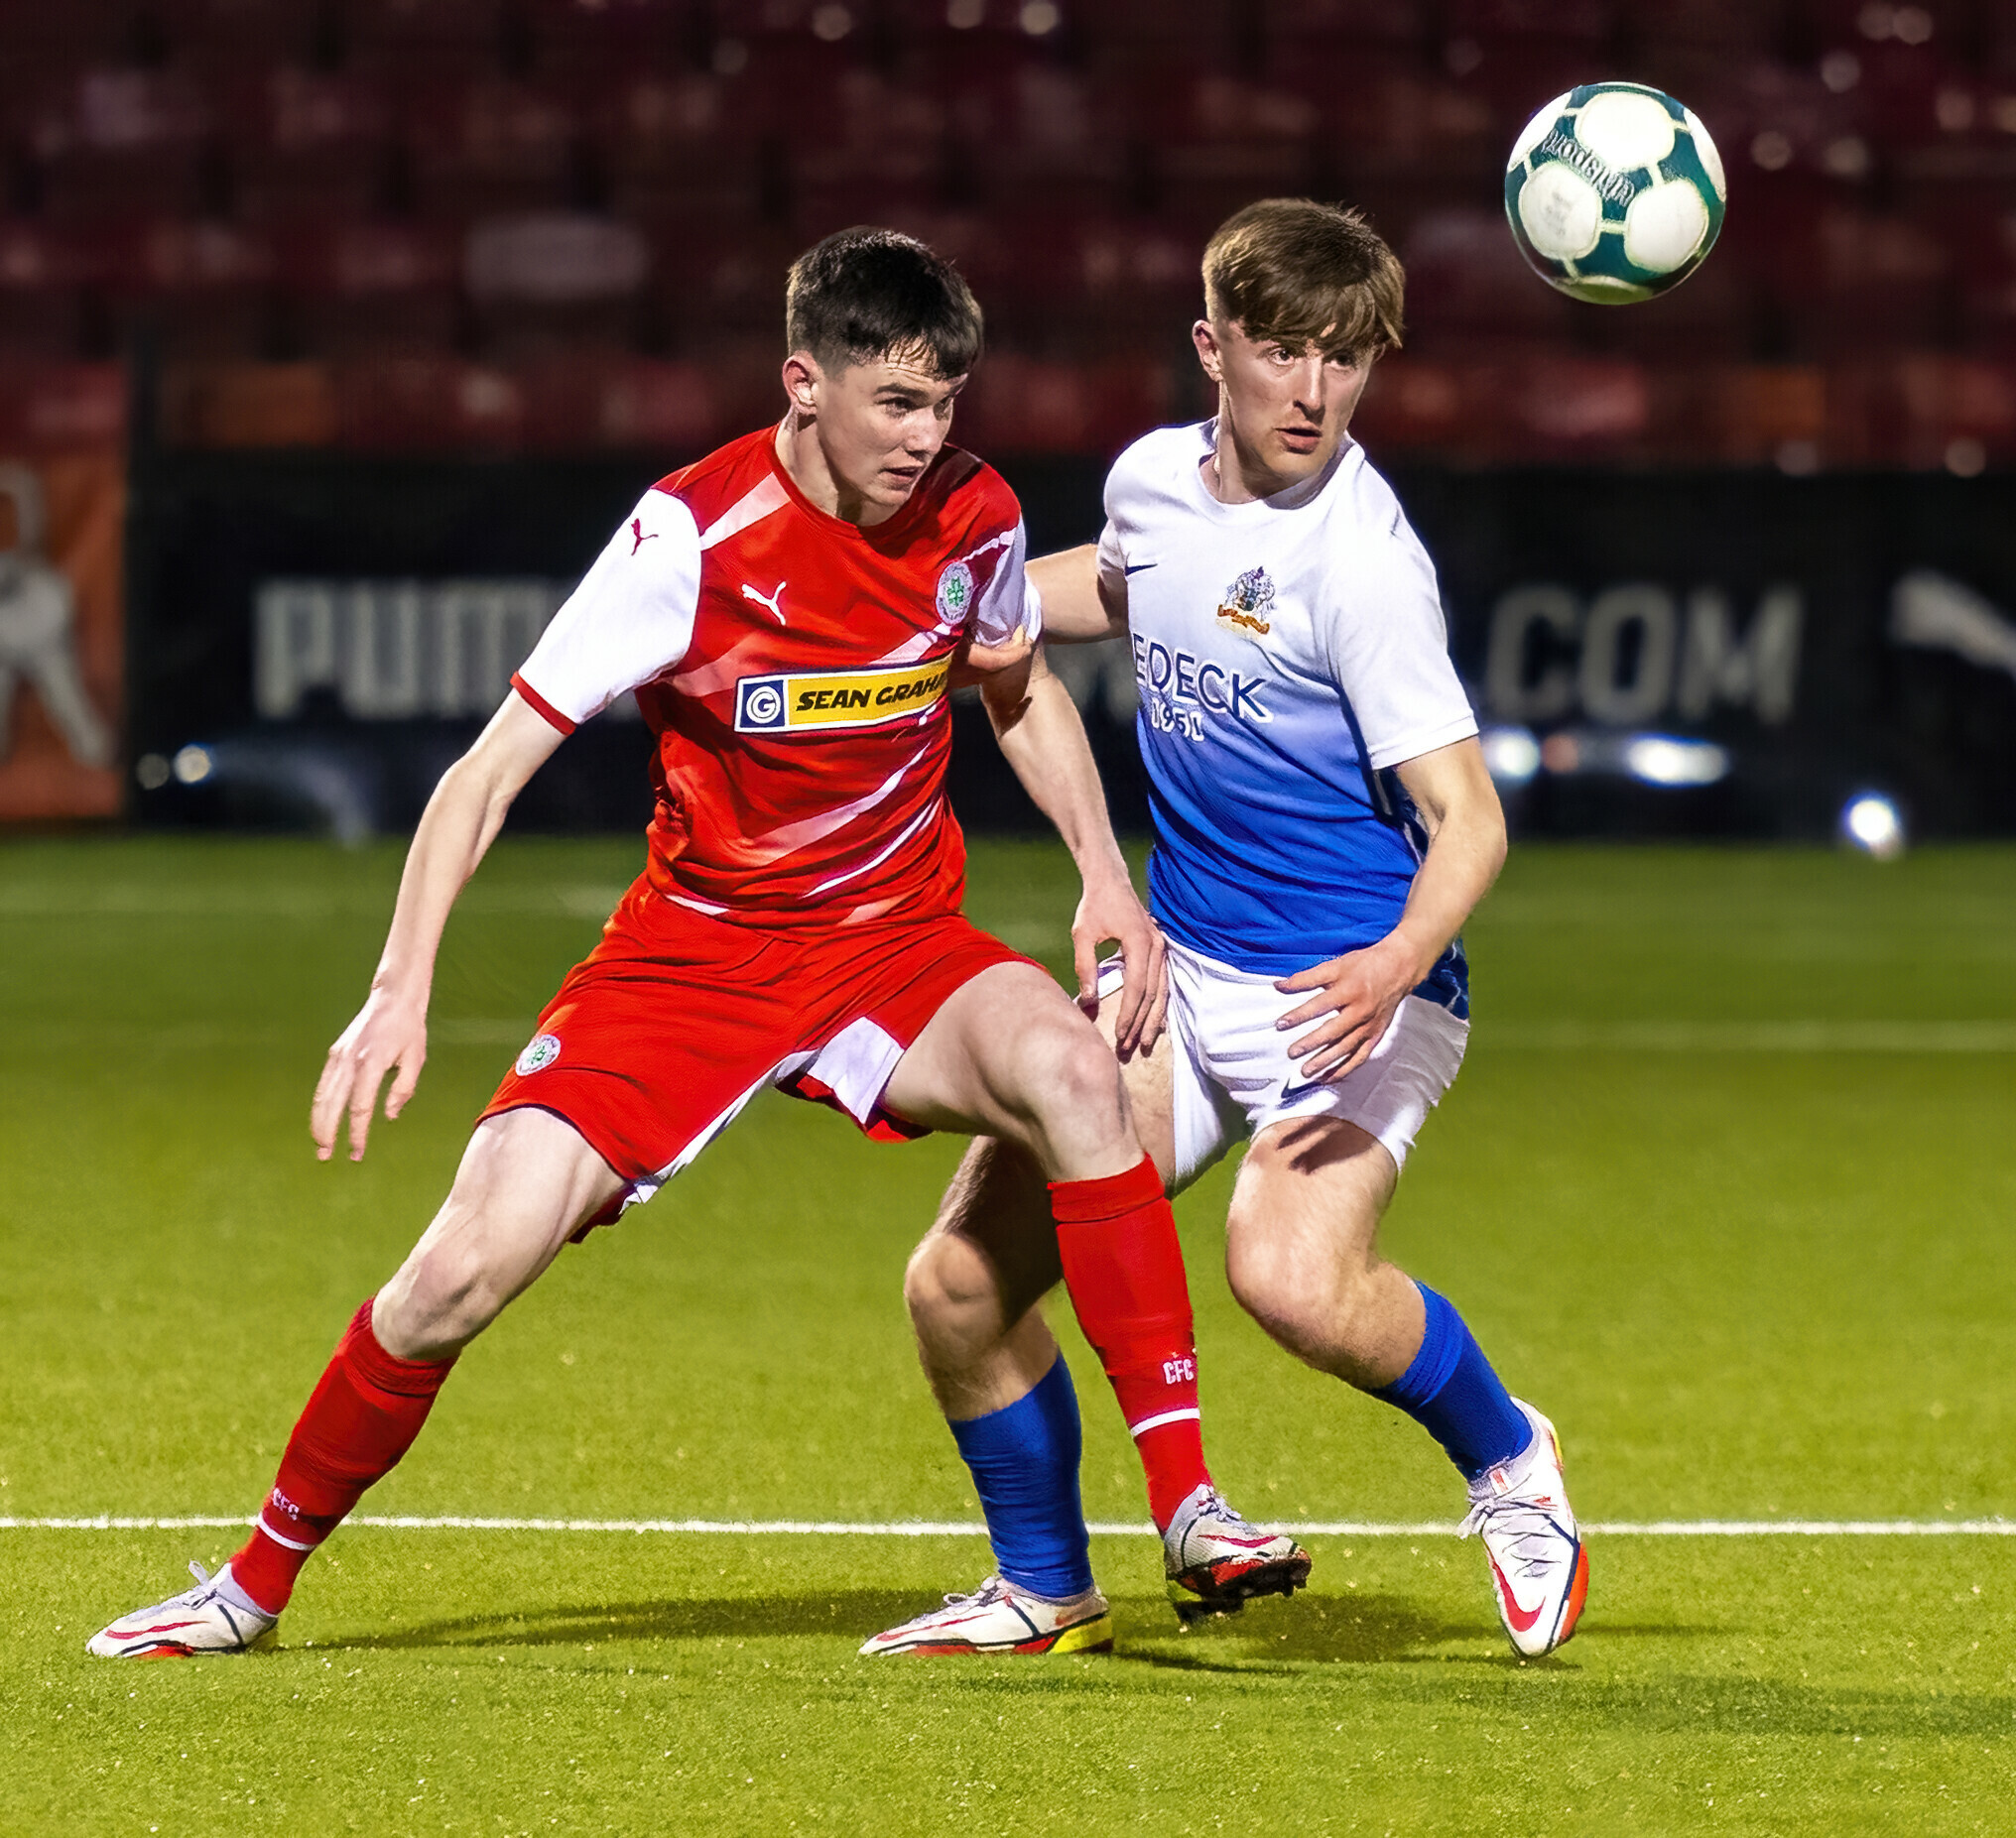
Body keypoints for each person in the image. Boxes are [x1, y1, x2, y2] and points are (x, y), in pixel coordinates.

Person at [87, 227, 1295, 1662]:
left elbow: (1015, 687)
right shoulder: (689, 539)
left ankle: (1173, 1514)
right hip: (694, 959)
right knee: (457, 1270)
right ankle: (249, 1586)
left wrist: (1104, 872)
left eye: (947, 405)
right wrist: (397, 987)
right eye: (895, 404)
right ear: (804, 382)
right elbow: (485, 772)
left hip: (893, 937)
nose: (927, 438)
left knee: (1076, 1074)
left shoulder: (972, 517)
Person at [864, 200, 1586, 1661]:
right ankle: (1045, 1584)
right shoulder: (1153, 485)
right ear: (1213, 348)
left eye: (1347, 359)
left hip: (1353, 990)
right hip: (1184, 973)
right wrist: (930, 624)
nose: (1315, 393)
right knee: (955, 1284)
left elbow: (1471, 821)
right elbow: (1110, 587)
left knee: (1291, 1278)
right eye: (1283, 353)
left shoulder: (1362, 567)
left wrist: (1390, 966)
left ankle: (1510, 1457)